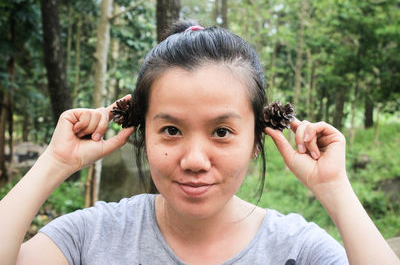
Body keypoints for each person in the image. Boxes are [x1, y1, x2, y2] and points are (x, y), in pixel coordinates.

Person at [0, 21, 399, 265]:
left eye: (222, 132)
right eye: (171, 130)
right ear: (141, 133)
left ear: (258, 140)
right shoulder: (92, 237)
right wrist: (54, 161)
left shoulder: (297, 250)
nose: (193, 160)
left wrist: (335, 189)